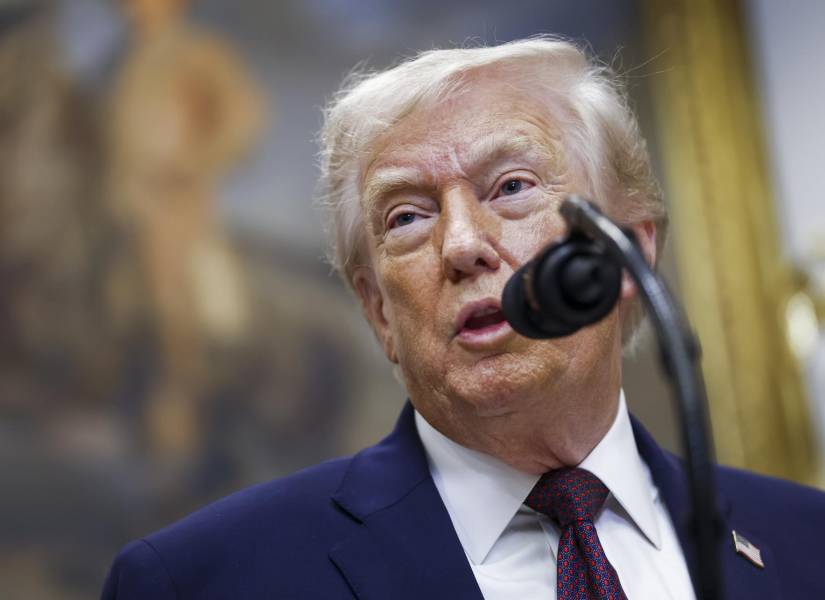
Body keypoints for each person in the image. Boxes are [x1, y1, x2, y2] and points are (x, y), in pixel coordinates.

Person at [101, 37, 825, 600]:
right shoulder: (202, 583)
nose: (460, 245)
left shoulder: (807, 543)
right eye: (408, 216)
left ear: (626, 253)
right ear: (377, 309)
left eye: (511, 187)